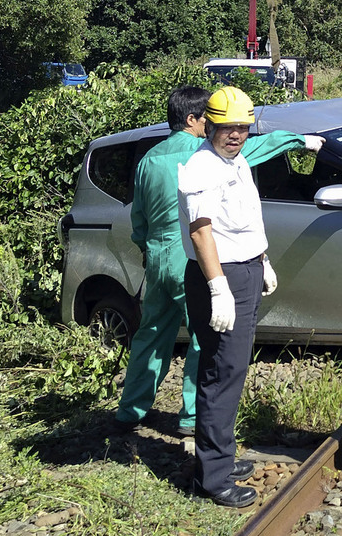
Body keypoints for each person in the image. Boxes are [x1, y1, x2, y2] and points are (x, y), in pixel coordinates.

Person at [116, 86, 323, 438]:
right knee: (205, 339)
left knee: (150, 336)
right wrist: (301, 140)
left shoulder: (148, 160)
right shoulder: (204, 154)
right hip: (195, 258)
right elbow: (259, 146)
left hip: (156, 260)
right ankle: (192, 416)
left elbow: (139, 221)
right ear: (196, 120)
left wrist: (149, 251)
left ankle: (129, 411)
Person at [177, 86, 323, 508]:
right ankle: (214, 477)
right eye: (227, 128)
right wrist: (217, 286)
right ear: (209, 126)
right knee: (222, 374)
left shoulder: (235, 161)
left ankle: (218, 457)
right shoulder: (202, 168)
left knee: (230, 369)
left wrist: (262, 260)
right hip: (221, 278)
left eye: (242, 127)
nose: (236, 134)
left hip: (244, 270)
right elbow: (202, 231)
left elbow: (241, 221)